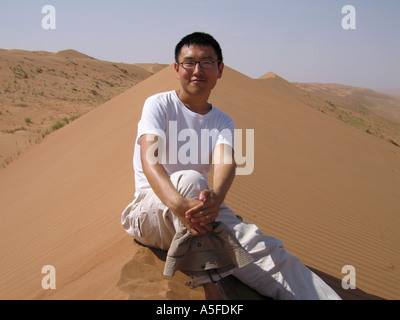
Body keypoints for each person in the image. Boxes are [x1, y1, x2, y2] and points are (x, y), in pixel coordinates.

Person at [121, 32, 341, 300]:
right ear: (177, 69)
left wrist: (217, 199)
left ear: (220, 69)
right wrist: (177, 203)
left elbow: (226, 159)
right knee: (191, 180)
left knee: (264, 248)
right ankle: (209, 284)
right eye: (189, 63)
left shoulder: (222, 121)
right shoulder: (159, 104)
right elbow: (149, 157)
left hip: (198, 210)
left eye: (207, 62)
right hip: (149, 214)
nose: (198, 70)